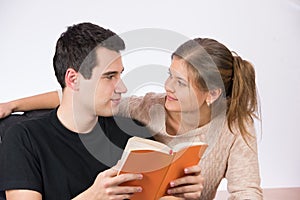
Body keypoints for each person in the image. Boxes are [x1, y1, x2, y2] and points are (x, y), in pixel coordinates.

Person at [0, 37, 263, 199]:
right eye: (169, 74)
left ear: (212, 94)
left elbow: (246, 192)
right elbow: (83, 97)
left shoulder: (235, 127)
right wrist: (15, 104)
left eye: (180, 83)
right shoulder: (147, 107)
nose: (168, 86)